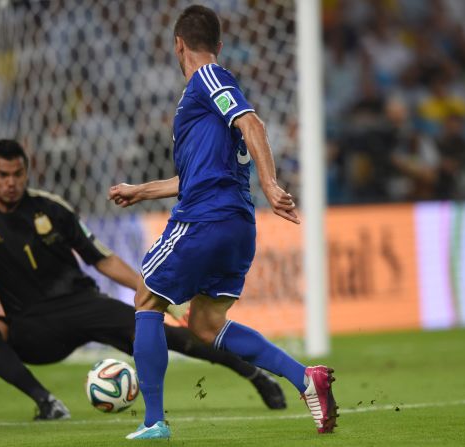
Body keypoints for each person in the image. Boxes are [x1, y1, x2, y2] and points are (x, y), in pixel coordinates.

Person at [0, 139, 286, 420]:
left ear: (26, 171)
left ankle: (252, 374)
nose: (11, 182)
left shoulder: (52, 209)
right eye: (3, 175)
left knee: (168, 334)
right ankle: (47, 403)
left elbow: (101, 259)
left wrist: (156, 294)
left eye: (17, 174)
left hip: (82, 306)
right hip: (30, 327)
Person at [107, 5, 338, 440]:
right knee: (207, 325)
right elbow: (195, 175)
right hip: (235, 225)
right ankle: (306, 378)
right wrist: (140, 190)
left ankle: (154, 421)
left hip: (205, 218)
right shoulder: (203, 105)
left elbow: (252, 122)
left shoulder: (208, 77)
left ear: (179, 44)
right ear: (219, 41)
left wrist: (270, 185)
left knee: (146, 297)